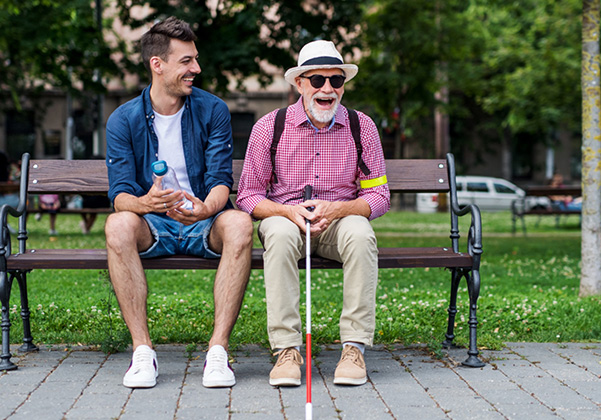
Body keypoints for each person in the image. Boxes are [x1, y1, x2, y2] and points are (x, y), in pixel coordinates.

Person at [104, 17, 253, 389]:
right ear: (158, 64)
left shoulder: (212, 110)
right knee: (117, 224)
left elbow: (221, 180)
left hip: (203, 219)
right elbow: (119, 194)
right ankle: (142, 353)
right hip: (152, 222)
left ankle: (218, 353)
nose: (196, 69)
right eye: (187, 61)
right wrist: (145, 203)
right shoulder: (123, 120)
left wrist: (207, 207)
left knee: (239, 224)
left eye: (195, 59)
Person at [236, 40, 390, 387]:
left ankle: (353, 348)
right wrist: (287, 212)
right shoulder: (270, 126)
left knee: (361, 232)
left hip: (339, 221)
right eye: (318, 80)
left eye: (336, 81)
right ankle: (287, 350)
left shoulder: (361, 126)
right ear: (299, 83)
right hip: (287, 219)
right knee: (275, 231)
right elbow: (248, 196)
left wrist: (338, 210)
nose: (327, 89)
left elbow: (378, 195)